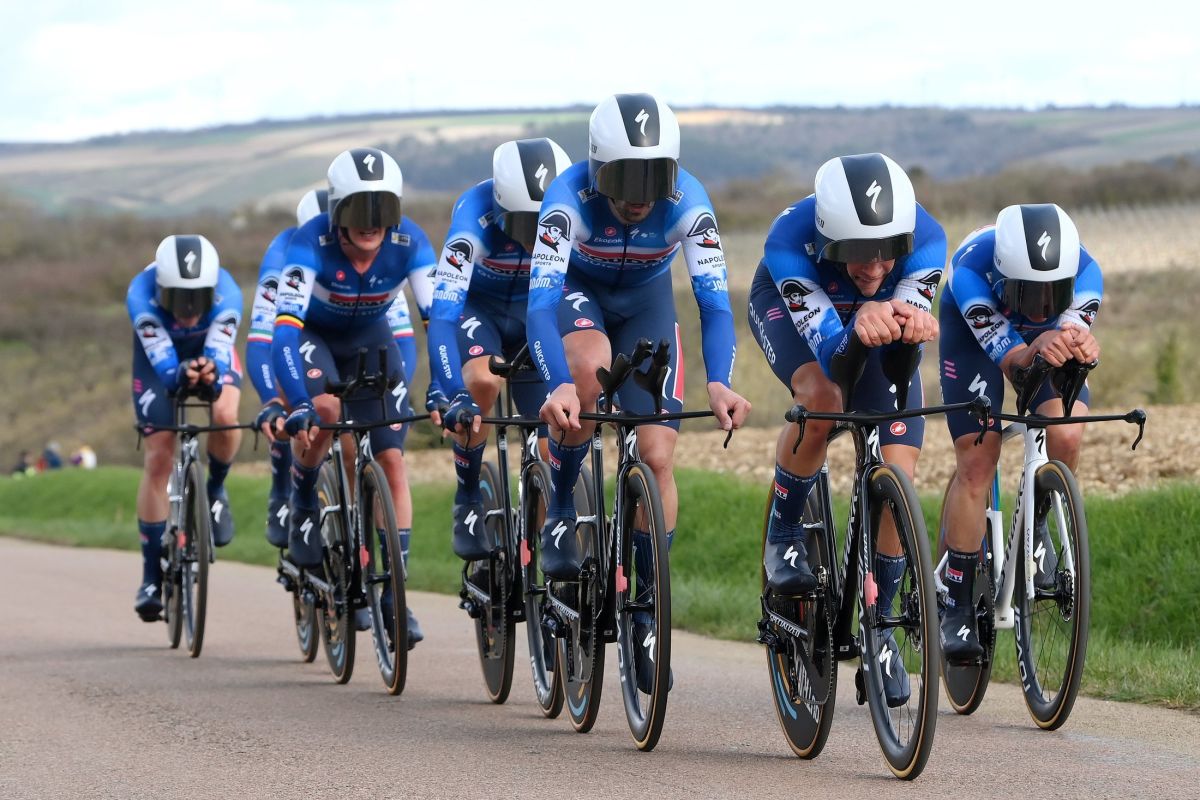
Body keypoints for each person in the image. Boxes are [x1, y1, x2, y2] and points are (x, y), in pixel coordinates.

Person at [526, 94, 751, 691]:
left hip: (647, 304)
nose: (638, 196)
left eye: (653, 179)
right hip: (579, 295)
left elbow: (713, 306)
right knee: (589, 370)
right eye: (624, 180)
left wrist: (720, 380)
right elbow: (540, 306)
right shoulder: (565, 200)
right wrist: (557, 383)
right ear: (597, 168)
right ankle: (562, 508)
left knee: (657, 454)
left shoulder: (691, 205)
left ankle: (647, 607)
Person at [746, 152, 946, 706]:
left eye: (887, 252)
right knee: (824, 400)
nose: (875, 267)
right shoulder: (789, 242)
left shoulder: (927, 240)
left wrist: (911, 327)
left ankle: (882, 624)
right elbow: (835, 357)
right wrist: (858, 323)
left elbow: (900, 357)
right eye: (857, 252)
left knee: (899, 463)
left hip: (866, 323)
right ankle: (784, 531)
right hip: (796, 313)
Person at [272, 147, 436, 647]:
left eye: (382, 209)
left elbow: (440, 322)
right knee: (324, 410)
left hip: (370, 338)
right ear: (336, 212)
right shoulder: (309, 242)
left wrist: (445, 385)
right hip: (314, 337)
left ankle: (395, 594)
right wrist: (298, 402)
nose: (371, 223)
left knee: (392, 460)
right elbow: (284, 333)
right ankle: (303, 498)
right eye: (359, 210)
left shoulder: (411, 242)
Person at [938, 203, 1101, 663]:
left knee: (1066, 433)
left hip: (1043, 339)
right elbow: (1013, 365)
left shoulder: (1088, 273)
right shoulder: (971, 276)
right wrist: (1036, 345)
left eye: (1055, 294)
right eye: (1029, 294)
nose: (1044, 305)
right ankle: (957, 601)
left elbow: (1069, 349)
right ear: (1005, 278)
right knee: (977, 461)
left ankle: (1040, 523)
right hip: (973, 340)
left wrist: (1081, 345)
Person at [246, 188, 426, 548]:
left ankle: (379, 563)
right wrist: (274, 400)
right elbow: (265, 340)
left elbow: (403, 337)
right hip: (308, 338)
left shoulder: (381, 260)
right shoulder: (287, 254)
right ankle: (292, 493)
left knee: (385, 453)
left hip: (363, 340)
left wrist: (393, 398)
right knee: (316, 408)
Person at [425, 137, 571, 560]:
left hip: (535, 316)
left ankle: (546, 552)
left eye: (544, 224)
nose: (537, 238)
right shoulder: (473, 217)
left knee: (550, 437)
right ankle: (468, 496)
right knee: (483, 382)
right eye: (524, 225)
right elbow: (442, 318)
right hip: (479, 311)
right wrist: (451, 390)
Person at [127, 234, 244, 621]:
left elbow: (219, 354)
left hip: (210, 350)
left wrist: (212, 372)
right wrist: (179, 374)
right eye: (179, 300)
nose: (190, 311)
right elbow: (163, 365)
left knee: (225, 415)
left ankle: (215, 489)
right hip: (158, 361)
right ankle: (150, 577)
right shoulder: (140, 294)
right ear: (161, 290)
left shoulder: (229, 293)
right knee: (159, 455)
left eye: (198, 300)